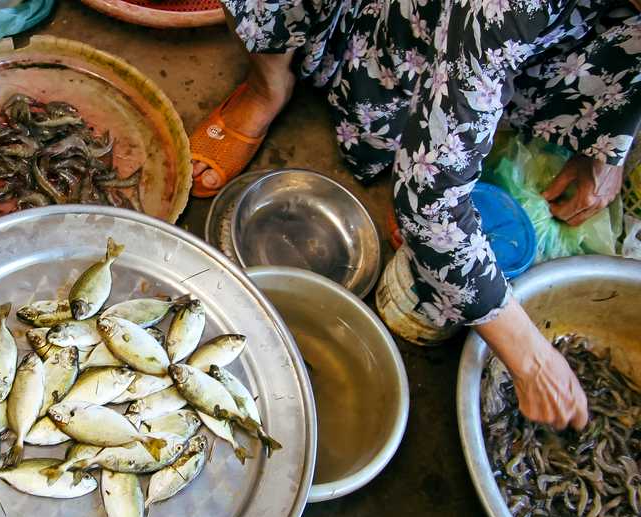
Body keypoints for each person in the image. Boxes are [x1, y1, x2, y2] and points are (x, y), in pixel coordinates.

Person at [189, 0, 641, 431]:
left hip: (524, 35)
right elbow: (431, 202)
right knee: (420, 174)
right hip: (461, 20)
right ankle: (269, 85)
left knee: (444, 145)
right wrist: (533, 359)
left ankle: (456, 102)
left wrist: (608, 144)